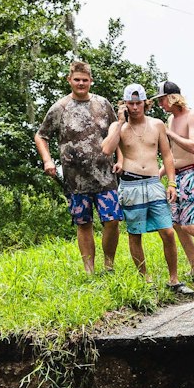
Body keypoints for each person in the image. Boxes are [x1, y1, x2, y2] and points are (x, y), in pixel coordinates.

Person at [101, 83, 194, 296]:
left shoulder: (157, 124)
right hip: (130, 184)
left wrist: (171, 182)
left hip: (153, 182)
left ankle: (174, 279)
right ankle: (145, 279)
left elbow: (167, 155)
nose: (135, 108)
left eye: (138, 103)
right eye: (130, 104)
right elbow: (106, 149)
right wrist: (119, 123)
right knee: (135, 234)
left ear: (146, 103)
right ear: (124, 104)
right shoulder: (118, 127)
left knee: (168, 232)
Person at [34, 60, 120, 275]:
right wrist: (47, 160)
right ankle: (89, 270)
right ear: (69, 80)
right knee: (84, 224)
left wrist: (121, 159)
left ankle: (109, 266)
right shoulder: (59, 108)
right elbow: (41, 135)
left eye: (85, 80)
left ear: (91, 81)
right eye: (77, 80)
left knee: (112, 220)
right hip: (75, 179)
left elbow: (117, 131)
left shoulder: (103, 104)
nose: (81, 84)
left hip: (106, 176)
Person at [158, 81, 194, 278]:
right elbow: (172, 155)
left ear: (172, 97)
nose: (160, 105)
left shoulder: (192, 116)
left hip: (192, 174)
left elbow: (193, 146)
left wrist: (169, 133)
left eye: (162, 100)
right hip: (177, 176)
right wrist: (161, 172)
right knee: (176, 223)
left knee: (189, 223)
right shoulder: (170, 120)